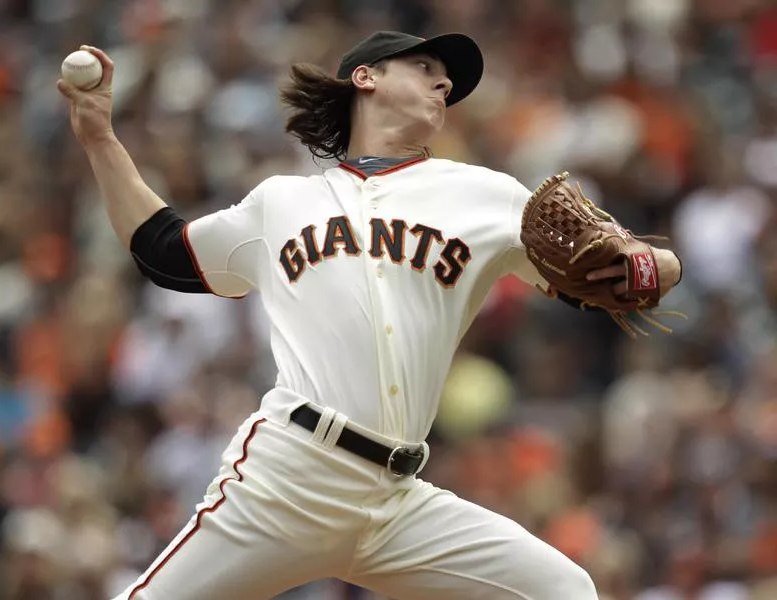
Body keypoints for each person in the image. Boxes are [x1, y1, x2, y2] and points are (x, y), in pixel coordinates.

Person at [57, 31, 682, 600]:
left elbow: (630, 268)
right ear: (367, 77)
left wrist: (645, 267)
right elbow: (164, 250)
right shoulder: (282, 202)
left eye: (448, 80)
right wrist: (101, 139)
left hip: (398, 500)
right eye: (426, 66)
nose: (444, 84)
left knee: (564, 590)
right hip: (290, 477)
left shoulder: (485, 194)